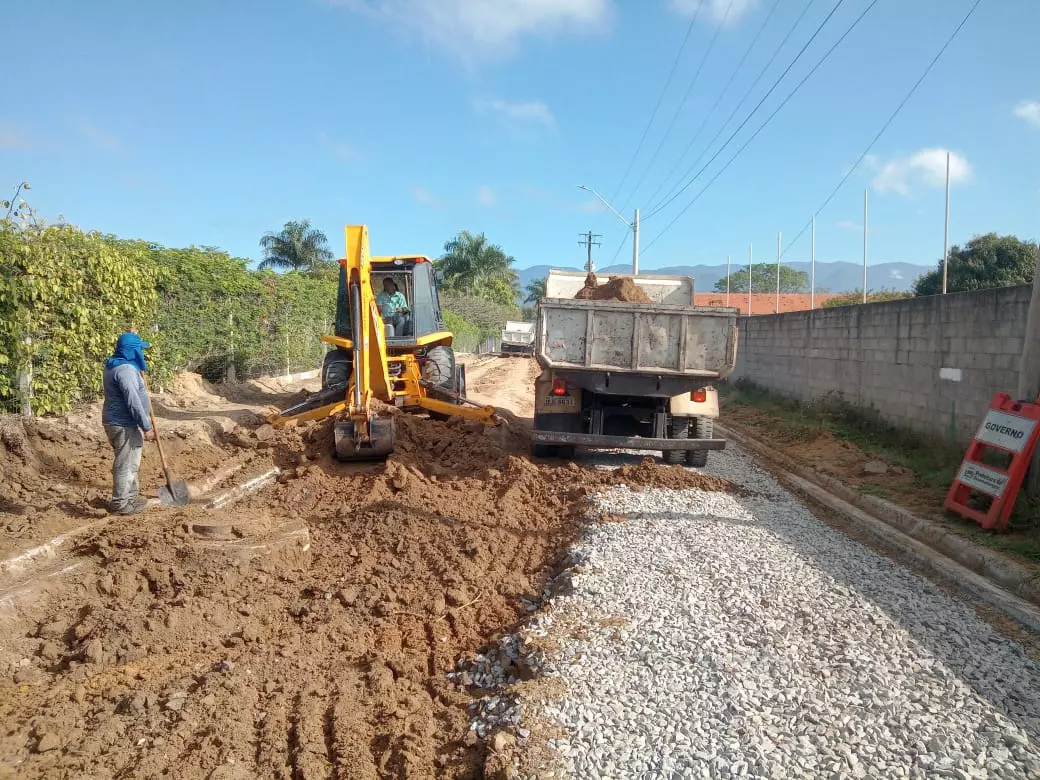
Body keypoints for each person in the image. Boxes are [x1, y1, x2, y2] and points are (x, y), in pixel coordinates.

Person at [101, 331, 156, 515]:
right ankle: (120, 504)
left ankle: (130, 498)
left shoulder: (116, 364)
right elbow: (133, 400)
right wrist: (146, 426)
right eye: (139, 349)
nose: (141, 352)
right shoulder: (125, 371)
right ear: (131, 351)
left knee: (131, 461)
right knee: (125, 463)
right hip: (123, 423)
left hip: (123, 422)